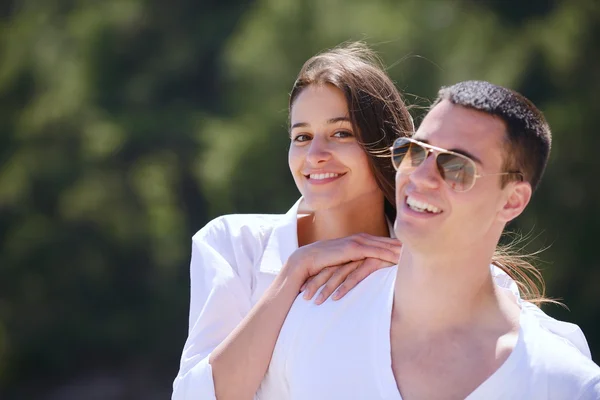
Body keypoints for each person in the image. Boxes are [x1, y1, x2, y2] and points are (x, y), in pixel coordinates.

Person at [172, 42, 589, 399]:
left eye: (341, 133)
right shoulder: (236, 244)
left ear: (384, 144)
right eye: (301, 136)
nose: (315, 153)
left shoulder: (438, 262)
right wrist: (296, 270)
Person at [257, 81, 600, 400]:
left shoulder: (565, 385)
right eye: (415, 152)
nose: (420, 177)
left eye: (456, 166)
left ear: (512, 200)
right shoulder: (314, 322)